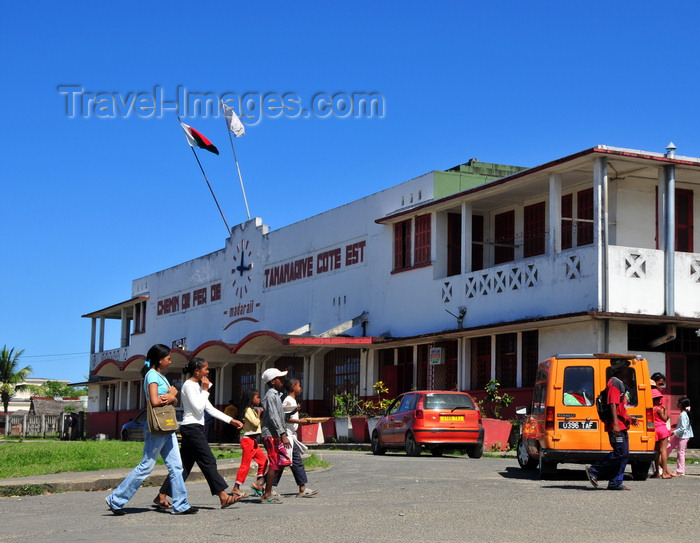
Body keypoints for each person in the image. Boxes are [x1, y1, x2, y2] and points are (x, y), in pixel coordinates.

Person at [105, 344, 196, 515]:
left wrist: (171, 396)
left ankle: (181, 504)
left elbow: (172, 401)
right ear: (160, 360)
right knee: (146, 466)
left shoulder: (161, 376)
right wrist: (170, 396)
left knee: (176, 466)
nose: (170, 361)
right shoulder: (152, 376)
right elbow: (154, 401)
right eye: (168, 358)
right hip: (157, 427)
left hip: (167, 426)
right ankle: (115, 499)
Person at [154, 358, 244, 509]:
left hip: (195, 428)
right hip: (192, 429)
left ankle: (161, 496)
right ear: (197, 371)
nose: (208, 372)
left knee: (183, 466)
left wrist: (230, 420)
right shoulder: (189, 385)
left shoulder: (197, 387)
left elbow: (208, 408)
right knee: (208, 460)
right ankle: (223, 496)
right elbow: (197, 408)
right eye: (206, 369)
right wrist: (206, 390)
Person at [585, 359, 639, 491]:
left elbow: (620, 407)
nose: (628, 370)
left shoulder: (620, 383)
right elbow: (612, 404)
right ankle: (594, 470)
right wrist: (615, 423)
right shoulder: (614, 382)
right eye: (626, 368)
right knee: (620, 452)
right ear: (621, 370)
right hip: (616, 426)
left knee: (624, 454)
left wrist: (629, 417)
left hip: (622, 424)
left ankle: (615, 482)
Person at [273, 378, 318, 497]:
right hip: (287, 436)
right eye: (299, 385)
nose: (301, 388)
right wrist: (299, 421)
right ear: (293, 387)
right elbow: (284, 418)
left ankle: (301, 487)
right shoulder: (288, 401)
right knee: (289, 462)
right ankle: (266, 485)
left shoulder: (292, 401)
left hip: (291, 436)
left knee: (289, 462)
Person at [259, 367, 290, 504]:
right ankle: (267, 494)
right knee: (274, 463)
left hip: (275, 433)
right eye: (279, 378)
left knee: (281, 461)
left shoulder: (276, 395)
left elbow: (279, 415)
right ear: (272, 382)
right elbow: (273, 416)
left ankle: (260, 483)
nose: (282, 381)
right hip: (271, 434)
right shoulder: (271, 396)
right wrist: (282, 433)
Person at [231, 389, 268, 499]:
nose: (259, 399)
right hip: (247, 440)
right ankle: (236, 488)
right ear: (251, 399)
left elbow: (258, 426)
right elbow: (256, 423)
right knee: (245, 464)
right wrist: (259, 414)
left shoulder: (252, 410)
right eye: (257, 397)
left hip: (253, 441)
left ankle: (258, 484)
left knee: (263, 461)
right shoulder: (247, 410)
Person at [651, 388, 675, 479]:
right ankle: (664, 472)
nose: (659, 400)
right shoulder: (659, 409)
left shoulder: (650, 409)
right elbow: (665, 419)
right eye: (657, 399)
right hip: (662, 429)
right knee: (663, 451)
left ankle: (657, 471)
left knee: (656, 452)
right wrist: (665, 410)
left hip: (655, 430)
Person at [667, 397, 694, 476]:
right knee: (668, 447)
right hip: (679, 435)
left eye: (678, 403)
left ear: (681, 405)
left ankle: (680, 470)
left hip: (683, 436)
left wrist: (673, 432)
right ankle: (662, 466)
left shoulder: (683, 414)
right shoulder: (684, 413)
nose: (677, 404)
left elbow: (683, 427)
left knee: (680, 452)